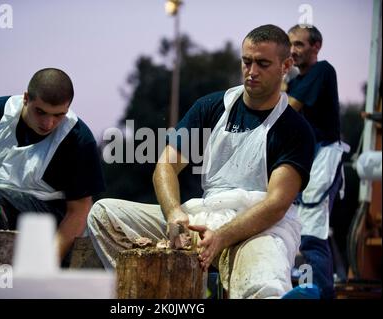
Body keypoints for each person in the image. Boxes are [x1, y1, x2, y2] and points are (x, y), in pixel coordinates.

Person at [88, 24, 316, 299]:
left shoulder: (295, 129)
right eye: (247, 62)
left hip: (260, 228)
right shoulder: (211, 107)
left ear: (286, 65)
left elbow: (276, 205)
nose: (252, 72)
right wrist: (174, 213)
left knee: (263, 282)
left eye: (263, 64)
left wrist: (222, 236)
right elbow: (166, 167)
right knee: (104, 215)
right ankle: (160, 295)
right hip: (201, 218)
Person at [0, 68, 105, 262]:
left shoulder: (78, 139)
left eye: (58, 115)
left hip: (42, 223)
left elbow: (79, 210)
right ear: (26, 98)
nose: (48, 123)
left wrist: (46, 262)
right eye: (40, 112)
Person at [286, 25, 350, 299]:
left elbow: (287, 110)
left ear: (316, 46)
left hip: (324, 157)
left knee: (312, 231)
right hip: (308, 159)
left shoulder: (322, 70)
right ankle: (307, 289)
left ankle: (323, 295)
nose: (293, 50)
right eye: (289, 45)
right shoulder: (296, 80)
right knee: (298, 228)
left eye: (299, 44)